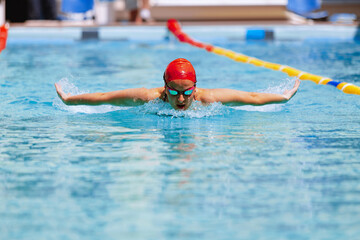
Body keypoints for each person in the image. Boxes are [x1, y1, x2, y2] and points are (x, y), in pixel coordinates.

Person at [55, 58, 300, 111]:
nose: (181, 99)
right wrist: (68, 99)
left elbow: (252, 98)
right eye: (173, 92)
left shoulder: (208, 98)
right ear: (164, 87)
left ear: (195, 87)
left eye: (187, 92)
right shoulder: (147, 97)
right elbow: (103, 97)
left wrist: (284, 97)